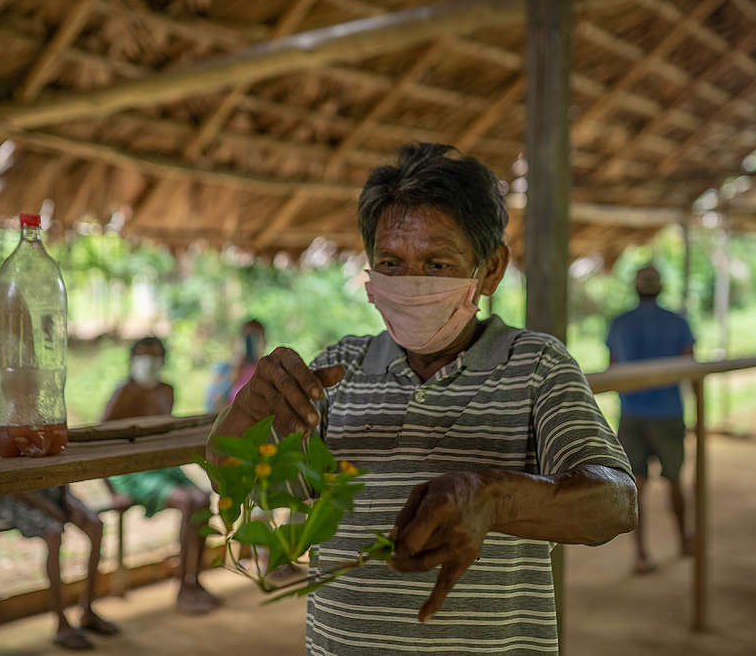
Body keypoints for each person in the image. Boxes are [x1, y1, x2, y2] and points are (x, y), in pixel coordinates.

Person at [209, 143, 637, 655]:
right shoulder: (339, 369)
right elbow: (240, 479)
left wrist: (492, 497)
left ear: (492, 269)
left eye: (436, 264)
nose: (410, 284)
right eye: (390, 262)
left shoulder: (535, 366)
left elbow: (614, 503)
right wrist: (246, 414)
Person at [102, 336, 219, 614]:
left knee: (203, 499)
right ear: (132, 359)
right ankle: (182, 588)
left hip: (163, 465)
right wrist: (113, 490)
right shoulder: (124, 394)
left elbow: (168, 432)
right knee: (188, 501)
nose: (148, 362)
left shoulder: (167, 390)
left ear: (163, 360)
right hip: (130, 470)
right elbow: (102, 440)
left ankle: (195, 580)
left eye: (154, 356)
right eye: (143, 355)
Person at [0, 416, 120, 649]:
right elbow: (7, 480)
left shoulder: (46, 411)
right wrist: (49, 507)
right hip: (13, 494)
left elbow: (60, 452)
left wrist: (64, 496)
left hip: (51, 486)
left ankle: (87, 609)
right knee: (54, 532)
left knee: (95, 525)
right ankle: (61, 623)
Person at [606, 265, 697, 574]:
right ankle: (684, 540)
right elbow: (690, 366)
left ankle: (641, 554)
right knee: (675, 481)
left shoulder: (620, 323)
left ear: (636, 288)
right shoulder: (678, 322)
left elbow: (613, 369)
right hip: (669, 412)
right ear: (660, 288)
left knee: (636, 486)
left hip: (632, 414)